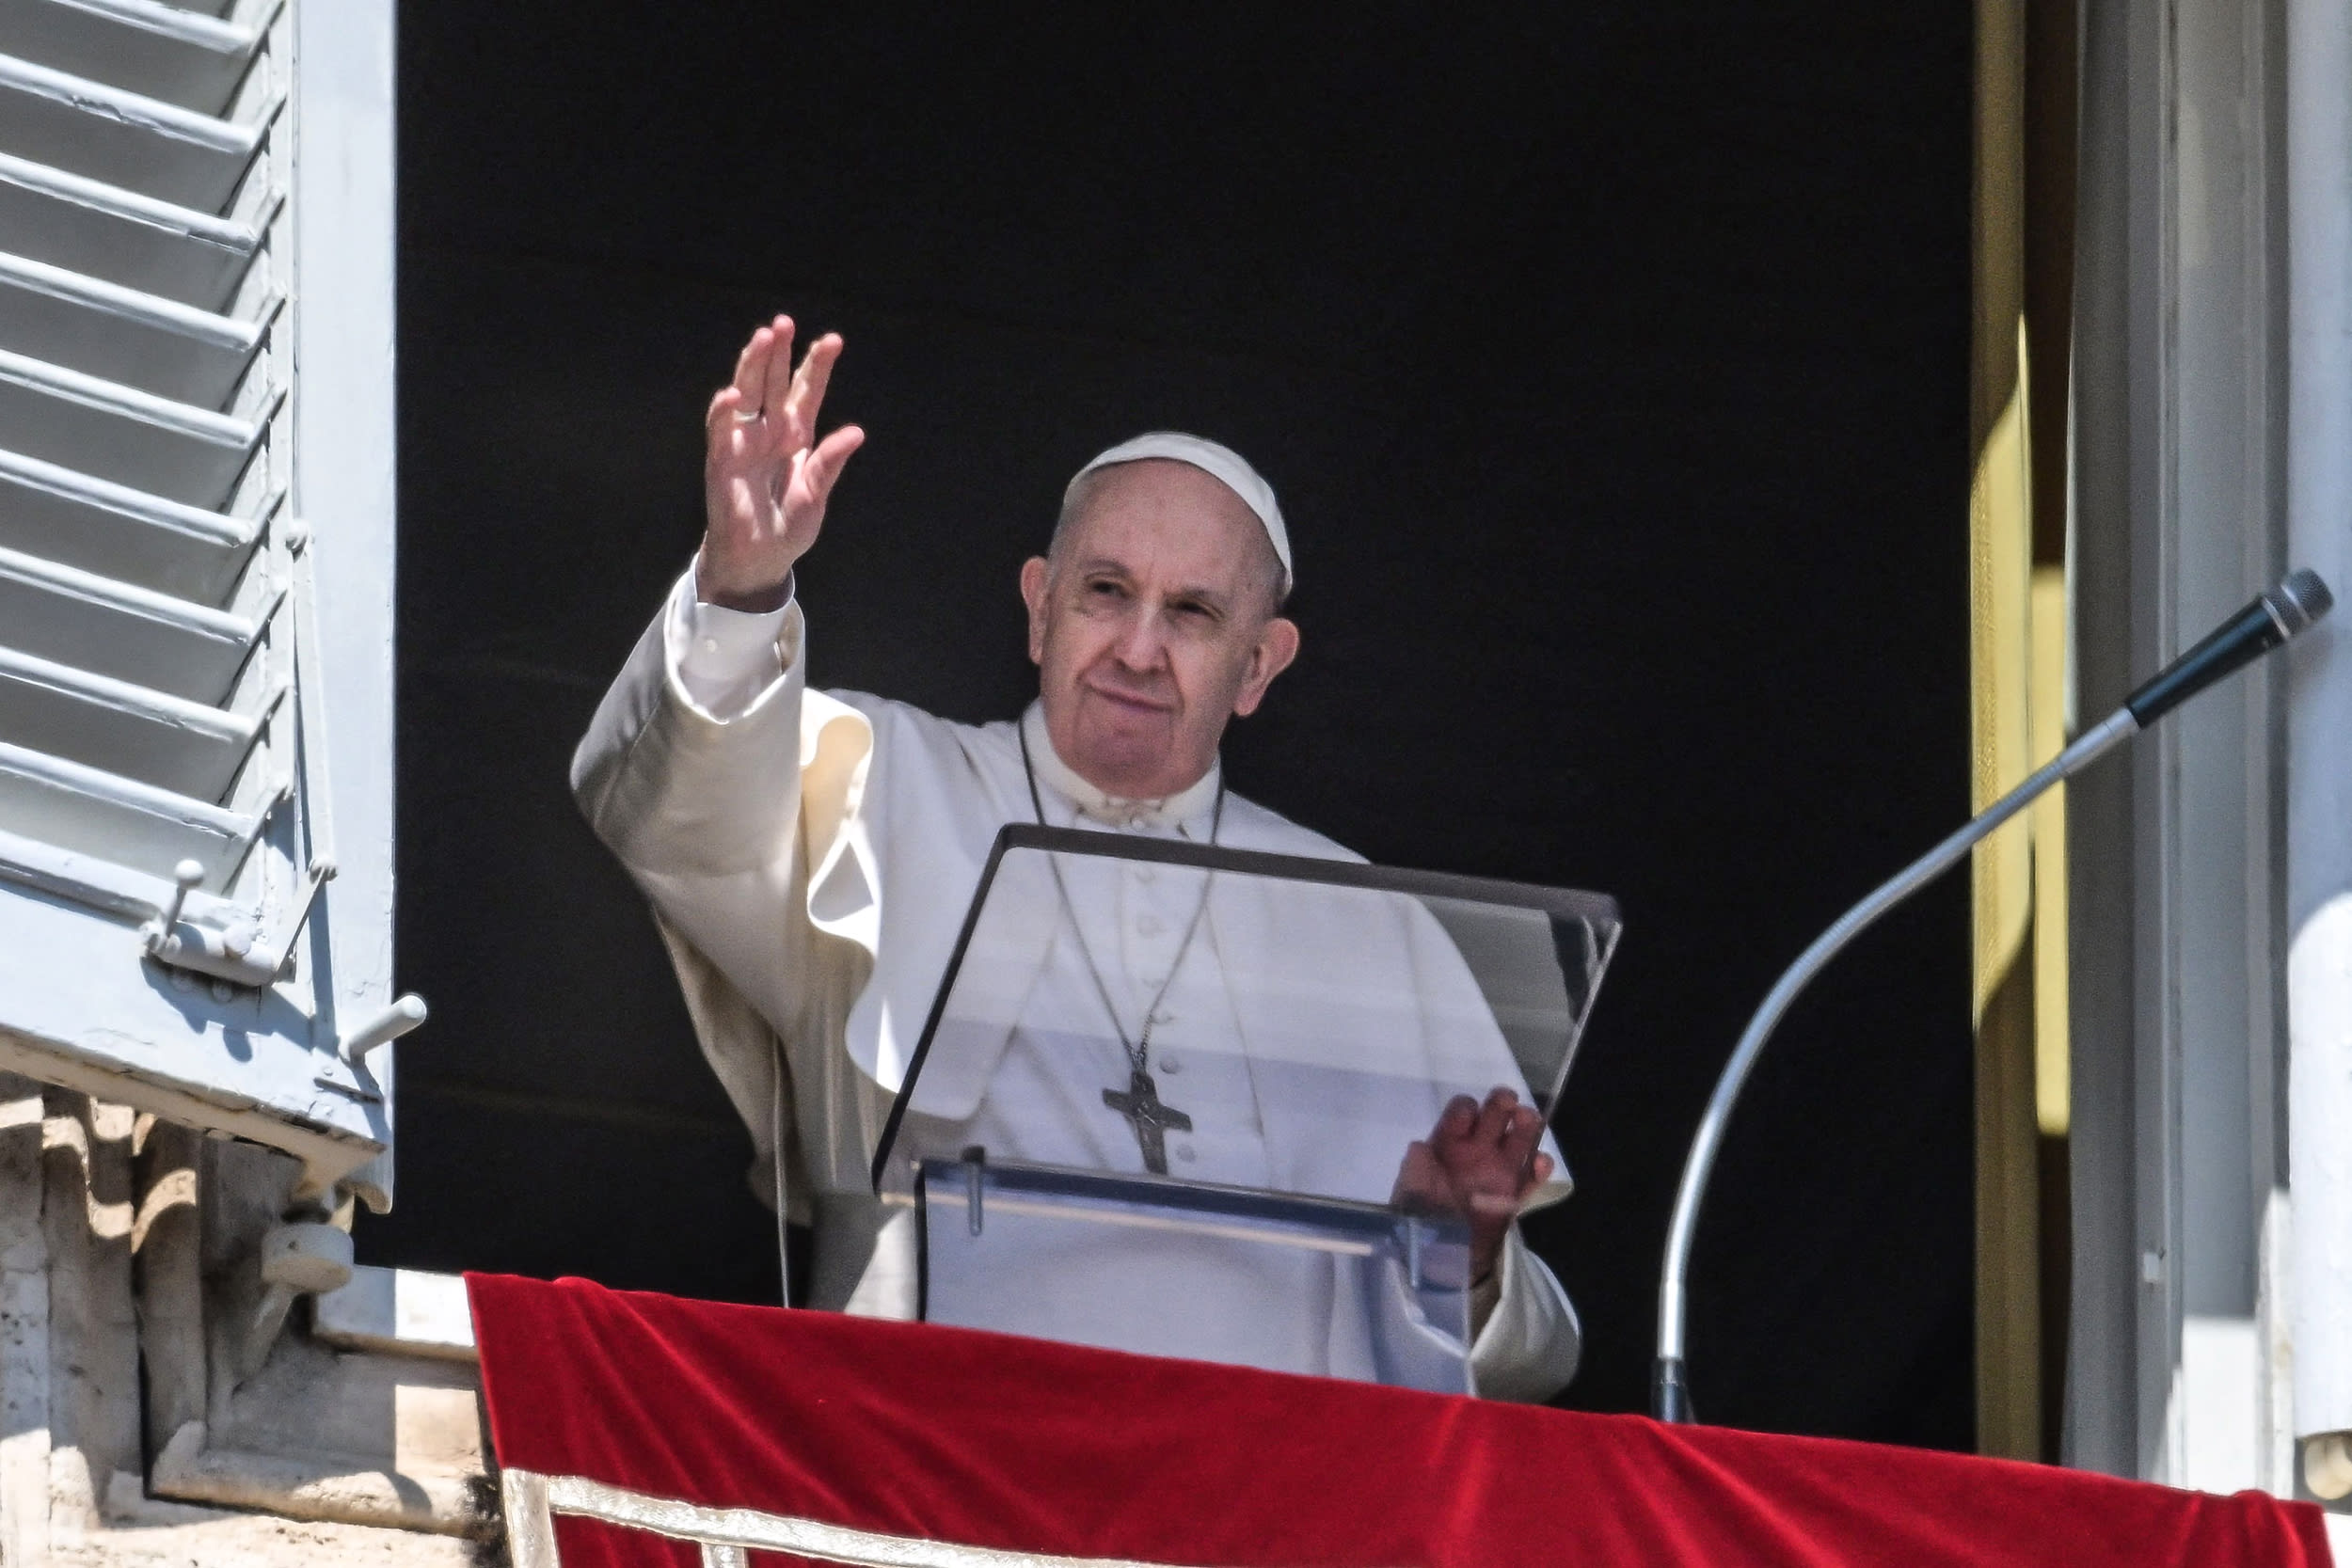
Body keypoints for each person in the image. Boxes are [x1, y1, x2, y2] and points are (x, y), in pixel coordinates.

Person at [573, 318, 1582, 1401]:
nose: (1138, 648)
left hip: (1274, 1515)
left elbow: (1534, 1358)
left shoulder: (1371, 923)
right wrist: (741, 584)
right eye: (1106, 591)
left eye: (1191, 612)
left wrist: (1462, 1255)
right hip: (936, 1479)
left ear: (1257, 666)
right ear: (1038, 606)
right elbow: (673, 807)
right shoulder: (877, 781)